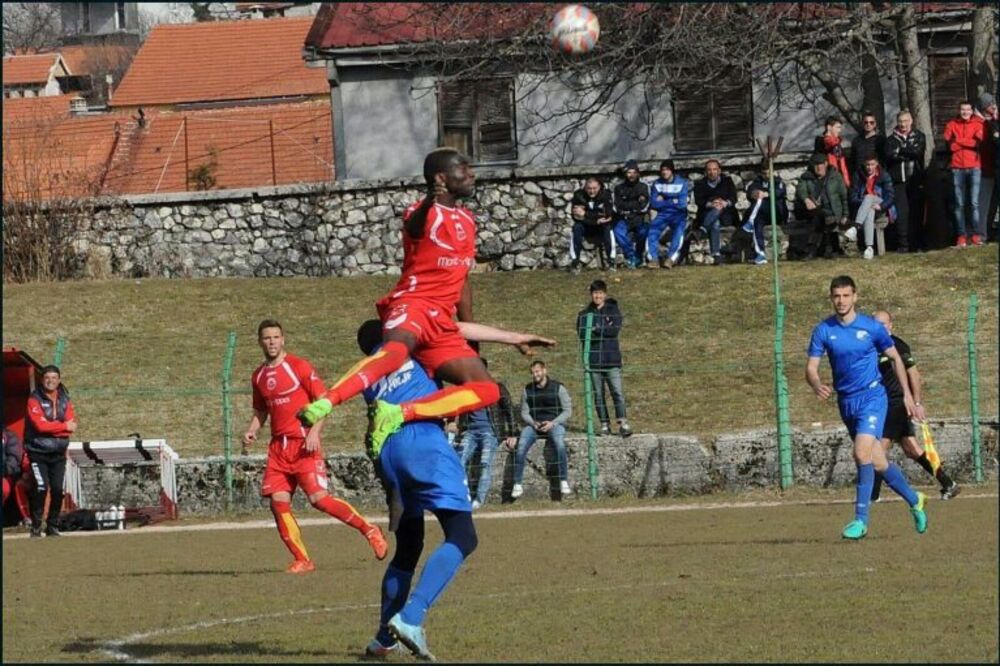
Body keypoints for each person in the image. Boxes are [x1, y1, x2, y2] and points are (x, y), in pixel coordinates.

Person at [299, 148, 551, 456]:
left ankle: (399, 414)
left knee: (487, 390)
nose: (471, 173)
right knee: (394, 352)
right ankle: (328, 401)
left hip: (441, 322)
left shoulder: (468, 221)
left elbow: (462, 282)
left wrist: (512, 337)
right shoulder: (422, 211)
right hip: (413, 304)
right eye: (464, 168)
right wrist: (431, 199)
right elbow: (414, 227)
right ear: (441, 178)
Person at [358, 318, 554, 660]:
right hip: (422, 441)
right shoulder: (413, 347)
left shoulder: (368, 372)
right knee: (463, 535)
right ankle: (411, 616)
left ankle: (382, 638)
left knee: (408, 546)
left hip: (388, 451)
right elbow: (457, 329)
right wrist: (513, 336)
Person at [243, 319, 387, 573]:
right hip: (279, 448)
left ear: (283, 339)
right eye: (266, 338)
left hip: (303, 445)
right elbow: (261, 410)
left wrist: (315, 433)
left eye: (276, 337)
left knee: (319, 499)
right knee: (278, 503)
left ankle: (370, 530)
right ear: (259, 342)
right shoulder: (259, 376)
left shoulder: (298, 367)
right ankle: (302, 559)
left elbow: (324, 401)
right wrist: (252, 431)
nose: (272, 342)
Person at [805, 275, 927, 540]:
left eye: (846, 295)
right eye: (836, 296)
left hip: (873, 397)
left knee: (861, 455)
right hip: (846, 401)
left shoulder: (872, 328)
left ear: (855, 297)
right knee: (878, 461)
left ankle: (860, 521)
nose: (841, 301)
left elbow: (895, 358)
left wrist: (907, 395)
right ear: (831, 298)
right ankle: (915, 498)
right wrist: (816, 384)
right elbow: (812, 368)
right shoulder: (824, 330)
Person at [869, 311, 960, 502]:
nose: (881, 328)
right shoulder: (872, 347)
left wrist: (916, 402)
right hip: (885, 403)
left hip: (897, 403)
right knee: (912, 450)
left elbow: (915, 375)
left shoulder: (897, 346)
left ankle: (872, 496)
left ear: (891, 325)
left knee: (877, 450)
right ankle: (948, 483)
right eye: (876, 324)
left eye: (884, 324)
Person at [457, 357, 517, 510]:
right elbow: (461, 409)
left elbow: (509, 409)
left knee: (485, 463)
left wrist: (513, 432)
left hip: (490, 432)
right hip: (471, 431)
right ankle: (464, 496)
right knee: (458, 461)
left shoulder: (497, 387)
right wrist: (460, 427)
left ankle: (479, 500)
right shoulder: (467, 389)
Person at [24, 365, 76, 538]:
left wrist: (55, 429)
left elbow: (72, 426)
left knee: (57, 490)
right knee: (41, 487)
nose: (50, 381)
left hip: (58, 454)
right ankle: (36, 526)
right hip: (38, 452)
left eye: (54, 378)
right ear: (42, 379)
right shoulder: (34, 399)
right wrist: (62, 428)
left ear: (59, 380)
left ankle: (52, 526)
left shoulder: (65, 399)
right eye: (47, 377)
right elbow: (40, 426)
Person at [510, 360, 573, 500]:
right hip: (534, 425)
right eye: (533, 373)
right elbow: (524, 413)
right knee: (521, 446)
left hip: (555, 424)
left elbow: (567, 411)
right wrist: (533, 423)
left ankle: (563, 480)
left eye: (537, 371)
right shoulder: (527, 390)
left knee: (560, 444)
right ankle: (517, 483)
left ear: (544, 371)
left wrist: (553, 423)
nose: (535, 375)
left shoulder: (558, 388)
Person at [576, 280, 631, 437]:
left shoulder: (613, 310)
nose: (597, 296)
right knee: (598, 394)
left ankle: (623, 422)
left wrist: (596, 329)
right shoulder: (584, 314)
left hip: (611, 359)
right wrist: (600, 331)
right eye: (595, 293)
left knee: (617, 391)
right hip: (593, 361)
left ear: (605, 294)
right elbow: (582, 334)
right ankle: (604, 424)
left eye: (600, 293)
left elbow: (614, 330)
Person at [884, 109, 927, 253]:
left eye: (906, 121)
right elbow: (889, 155)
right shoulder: (890, 140)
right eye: (901, 121)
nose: (903, 124)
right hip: (899, 181)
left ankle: (917, 244)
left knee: (916, 212)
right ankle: (903, 244)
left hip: (915, 180)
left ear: (911, 121)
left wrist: (900, 151)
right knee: (902, 213)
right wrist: (906, 151)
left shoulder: (919, 136)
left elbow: (917, 152)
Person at [943, 100, 985, 246]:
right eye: (962, 109)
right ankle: (961, 235)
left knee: (974, 203)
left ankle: (975, 234)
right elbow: (949, 144)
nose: (965, 112)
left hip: (974, 166)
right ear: (959, 110)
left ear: (972, 111)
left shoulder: (978, 124)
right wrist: (968, 141)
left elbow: (978, 143)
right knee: (959, 204)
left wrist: (959, 141)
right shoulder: (951, 124)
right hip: (957, 167)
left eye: (968, 109)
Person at [795, 153, 849, 260]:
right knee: (818, 217)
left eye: (821, 164)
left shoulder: (835, 177)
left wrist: (845, 214)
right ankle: (827, 249)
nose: (818, 167)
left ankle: (816, 249)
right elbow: (801, 190)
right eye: (816, 165)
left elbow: (844, 197)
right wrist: (806, 199)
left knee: (824, 219)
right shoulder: (806, 177)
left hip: (833, 210)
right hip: (815, 211)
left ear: (826, 164)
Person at [847, 154, 895, 260]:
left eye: (872, 164)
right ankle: (869, 248)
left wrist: (881, 206)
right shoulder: (858, 175)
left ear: (877, 164)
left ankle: (856, 227)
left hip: (880, 205)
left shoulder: (884, 175)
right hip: (865, 207)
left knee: (868, 197)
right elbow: (853, 197)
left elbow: (890, 196)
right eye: (867, 165)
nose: (869, 167)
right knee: (869, 209)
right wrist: (865, 203)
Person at [741, 161, 788, 265]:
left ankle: (750, 221)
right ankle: (760, 254)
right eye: (764, 173)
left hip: (776, 212)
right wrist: (755, 194)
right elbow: (750, 192)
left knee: (760, 200)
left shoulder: (778, 182)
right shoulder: (757, 182)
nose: (766, 176)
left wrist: (766, 194)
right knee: (757, 222)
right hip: (761, 214)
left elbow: (779, 192)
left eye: (768, 173)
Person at [693, 159, 738, 265]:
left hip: (726, 215)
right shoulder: (700, 184)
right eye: (709, 170)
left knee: (719, 208)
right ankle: (716, 255)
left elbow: (733, 198)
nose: (712, 172)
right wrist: (711, 204)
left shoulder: (727, 181)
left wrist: (724, 203)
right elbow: (699, 201)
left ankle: (703, 229)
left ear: (719, 170)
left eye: (714, 169)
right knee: (715, 223)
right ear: (705, 172)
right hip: (707, 213)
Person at [646, 158, 688, 269]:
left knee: (679, 231)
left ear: (672, 171)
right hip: (663, 214)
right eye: (663, 170)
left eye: (667, 169)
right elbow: (654, 203)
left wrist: (664, 198)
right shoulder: (657, 183)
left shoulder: (682, 183)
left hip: (678, 214)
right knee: (652, 230)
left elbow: (682, 204)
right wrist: (673, 200)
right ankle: (654, 259)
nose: (664, 172)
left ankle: (670, 259)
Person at [569, 177, 616, 273]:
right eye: (589, 188)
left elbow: (607, 214)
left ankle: (611, 261)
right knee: (576, 228)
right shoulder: (578, 195)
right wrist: (595, 220)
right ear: (585, 188)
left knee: (608, 228)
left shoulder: (606, 195)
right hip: (585, 226)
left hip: (601, 226)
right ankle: (575, 262)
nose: (592, 191)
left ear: (599, 187)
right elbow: (576, 216)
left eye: (594, 188)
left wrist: (585, 214)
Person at [611, 159, 651, 269]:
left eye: (634, 172)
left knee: (644, 232)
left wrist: (628, 204)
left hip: (639, 218)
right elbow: (617, 206)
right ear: (625, 174)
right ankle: (631, 256)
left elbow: (644, 206)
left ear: (638, 173)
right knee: (618, 231)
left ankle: (638, 256)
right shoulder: (618, 188)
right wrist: (635, 203)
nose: (631, 175)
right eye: (629, 172)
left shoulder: (644, 186)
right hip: (623, 218)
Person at [975, 93, 999, 241]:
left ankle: (990, 232)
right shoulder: (978, 122)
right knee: (984, 204)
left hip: (995, 167)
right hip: (984, 169)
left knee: (994, 204)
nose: (994, 106)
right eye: (991, 104)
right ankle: (982, 234)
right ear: (984, 107)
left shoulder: (995, 120)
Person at [814, 115, 852, 186]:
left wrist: (847, 181)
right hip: (829, 179)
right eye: (837, 127)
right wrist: (828, 134)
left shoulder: (837, 142)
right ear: (829, 127)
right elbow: (828, 142)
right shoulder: (822, 141)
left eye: (840, 128)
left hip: (840, 178)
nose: (839, 130)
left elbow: (842, 163)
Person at [848, 110, 888, 176]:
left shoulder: (881, 140)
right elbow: (853, 160)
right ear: (862, 123)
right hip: (859, 177)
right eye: (866, 122)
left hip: (876, 177)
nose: (868, 124)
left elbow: (884, 160)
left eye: (871, 122)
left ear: (875, 124)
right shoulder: (856, 141)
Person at [2, 428, 24, 506]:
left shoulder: (9, 436)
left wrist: (5, 470)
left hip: (4, 474)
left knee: (3, 488)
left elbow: (14, 458)